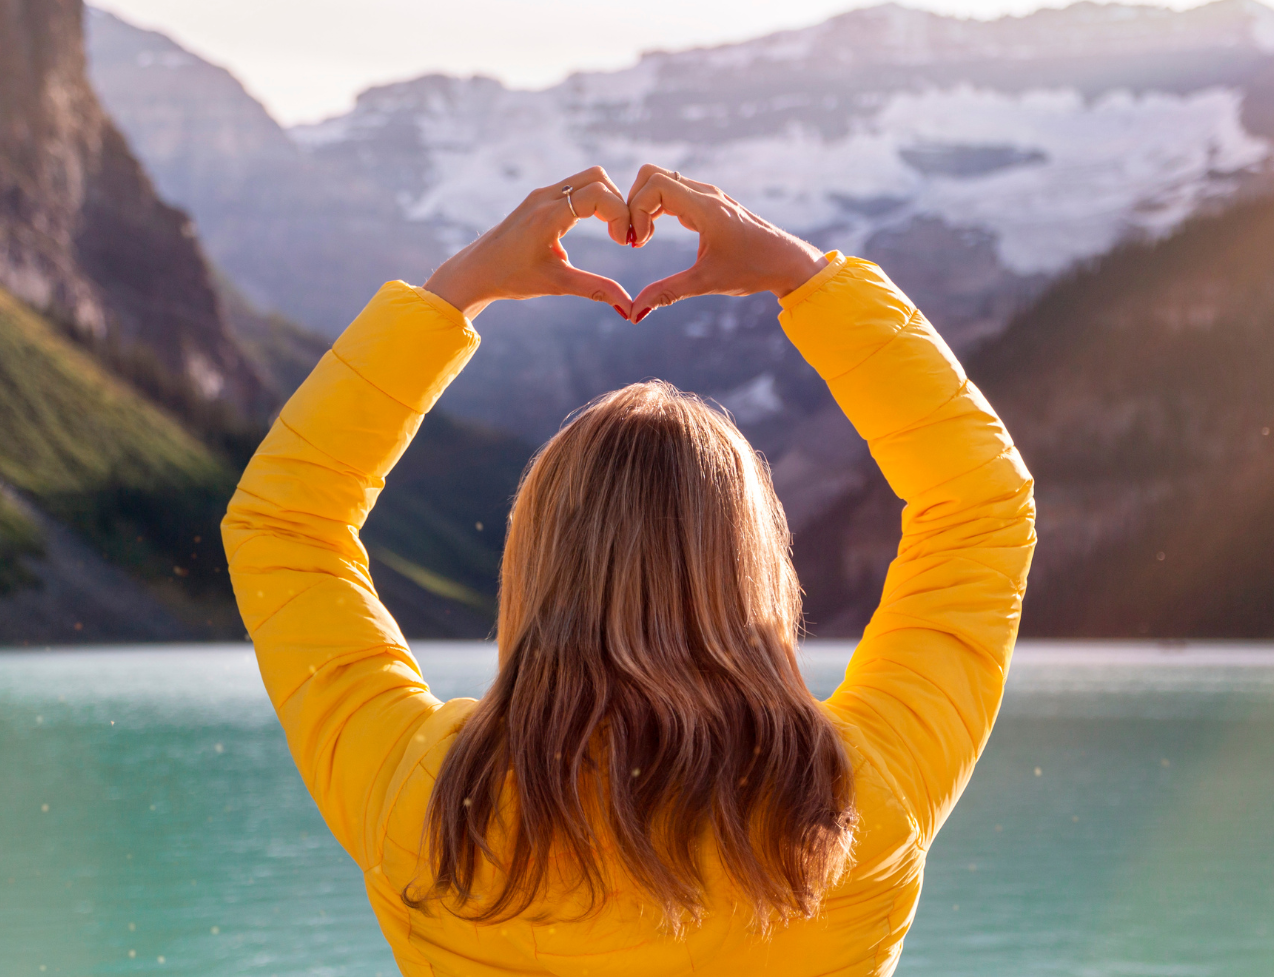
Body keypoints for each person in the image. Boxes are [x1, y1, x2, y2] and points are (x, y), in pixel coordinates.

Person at [221, 164, 1036, 976]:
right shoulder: (859, 805)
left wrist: (458, 290)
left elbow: (285, 527)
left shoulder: (425, 802)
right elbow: (979, 505)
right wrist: (807, 278)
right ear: (757, 566)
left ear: (536, 562)